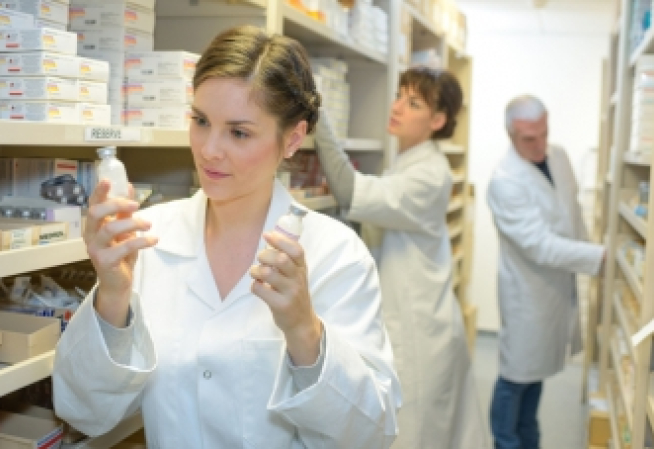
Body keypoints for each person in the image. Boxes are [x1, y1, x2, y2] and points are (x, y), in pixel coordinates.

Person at [52, 25, 401, 448]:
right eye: (200, 121)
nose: (209, 149)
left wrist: (304, 330)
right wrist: (112, 294)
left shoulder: (337, 255)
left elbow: (370, 432)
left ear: (292, 138)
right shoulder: (149, 237)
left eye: (238, 132)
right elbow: (83, 412)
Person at [314, 66, 487, 448]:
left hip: (420, 331)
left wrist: (316, 115)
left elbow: (349, 190)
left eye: (413, 103)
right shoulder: (408, 163)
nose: (396, 107)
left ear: (438, 120)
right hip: (414, 317)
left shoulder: (428, 174)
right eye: (398, 96)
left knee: (415, 433)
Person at [486, 95, 605, 449]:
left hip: (555, 289)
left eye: (543, 134)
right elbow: (540, 245)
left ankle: (528, 442)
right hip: (528, 296)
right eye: (528, 139)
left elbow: (573, 214)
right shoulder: (504, 181)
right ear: (510, 135)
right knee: (516, 378)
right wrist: (598, 257)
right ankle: (505, 442)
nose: (540, 145)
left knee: (534, 380)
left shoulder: (561, 156)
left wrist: (588, 250)